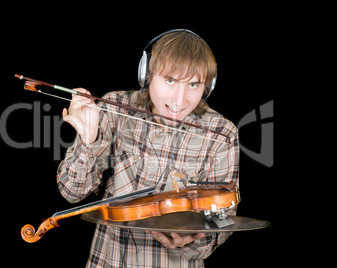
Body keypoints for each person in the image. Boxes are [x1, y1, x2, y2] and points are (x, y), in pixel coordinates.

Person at [56, 29, 239, 268]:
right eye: (170, 80)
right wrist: (88, 141)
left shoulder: (222, 134)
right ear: (147, 75)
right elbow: (72, 192)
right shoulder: (116, 109)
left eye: (193, 84)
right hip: (109, 260)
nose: (180, 100)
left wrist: (192, 242)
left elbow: (223, 219)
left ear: (207, 86)